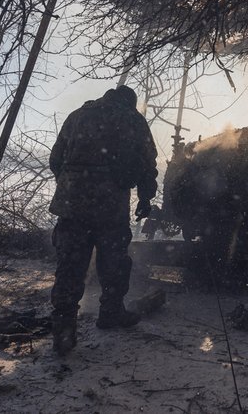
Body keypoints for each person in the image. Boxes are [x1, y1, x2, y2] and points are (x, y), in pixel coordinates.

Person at [48, 85, 158, 356]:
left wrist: (72, 184)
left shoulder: (77, 116)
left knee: (70, 265)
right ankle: (111, 311)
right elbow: (147, 165)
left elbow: (55, 159)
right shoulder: (133, 119)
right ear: (130, 102)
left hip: (72, 207)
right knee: (114, 262)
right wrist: (145, 199)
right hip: (110, 207)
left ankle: (64, 328)